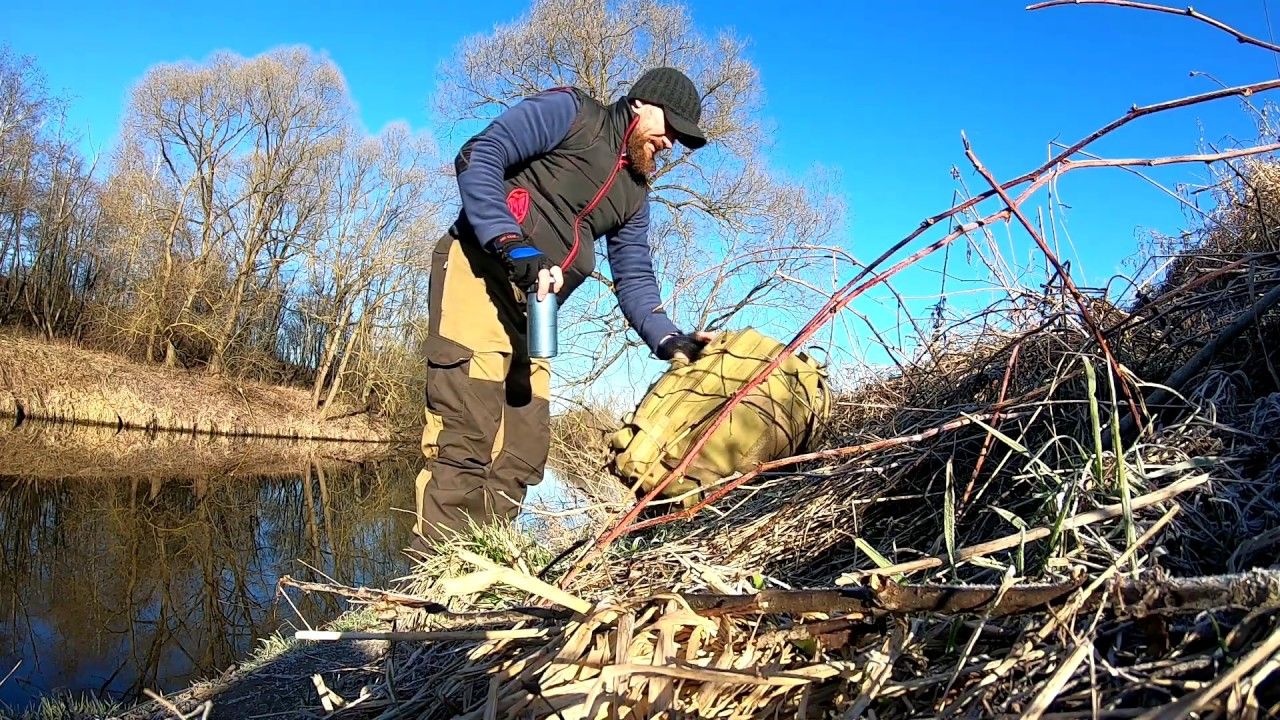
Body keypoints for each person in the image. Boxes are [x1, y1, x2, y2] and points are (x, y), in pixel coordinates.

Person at [412, 67, 715, 553]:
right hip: (478, 270)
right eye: (671, 127)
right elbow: (478, 155)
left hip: (535, 312)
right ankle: (430, 595)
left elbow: (634, 276)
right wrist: (514, 245)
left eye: (682, 138)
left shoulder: (635, 193)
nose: (672, 143)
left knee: (523, 448)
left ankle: (475, 570)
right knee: (466, 436)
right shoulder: (573, 114)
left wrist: (669, 339)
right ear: (639, 104)